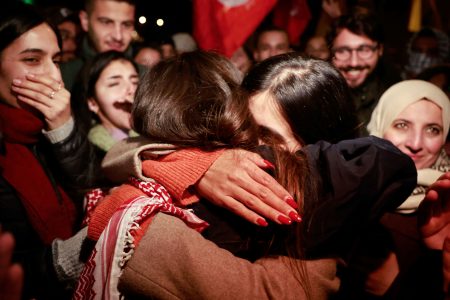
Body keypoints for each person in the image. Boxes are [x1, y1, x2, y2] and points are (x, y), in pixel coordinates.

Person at [78, 52, 416, 299]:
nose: (245, 147)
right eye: (244, 128)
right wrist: (197, 167)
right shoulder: (218, 163)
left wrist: (136, 224)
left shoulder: (325, 221)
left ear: (317, 149)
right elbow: (125, 150)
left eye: (268, 139)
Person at [0, 2, 96, 298]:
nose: (54, 76)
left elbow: (88, 187)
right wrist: (61, 261)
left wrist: (64, 130)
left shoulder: (49, 127)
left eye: (56, 60)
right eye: (31, 60)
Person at [342, 80, 450, 298]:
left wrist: (403, 284)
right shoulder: (347, 189)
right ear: (381, 126)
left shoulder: (446, 199)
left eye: (432, 129)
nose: (416, 143)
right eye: (402, 125)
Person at [327, 11, 401, 133]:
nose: (354, 62)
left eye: (364, 50)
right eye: (343, 51)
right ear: (331, 51)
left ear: (380, 50)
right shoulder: (317, 96)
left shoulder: (395, 95)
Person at [60, 0, 137, 92]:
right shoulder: (61, 77)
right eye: (106, 22)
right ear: (85, 21)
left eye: (126, 25)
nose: (118, 36)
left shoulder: (148, 79)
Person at [75, 51, 139, 158]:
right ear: (92, 103)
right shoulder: (89, 154)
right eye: (114, 84)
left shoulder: (149, 135)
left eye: (135, 82)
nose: (131, 90)